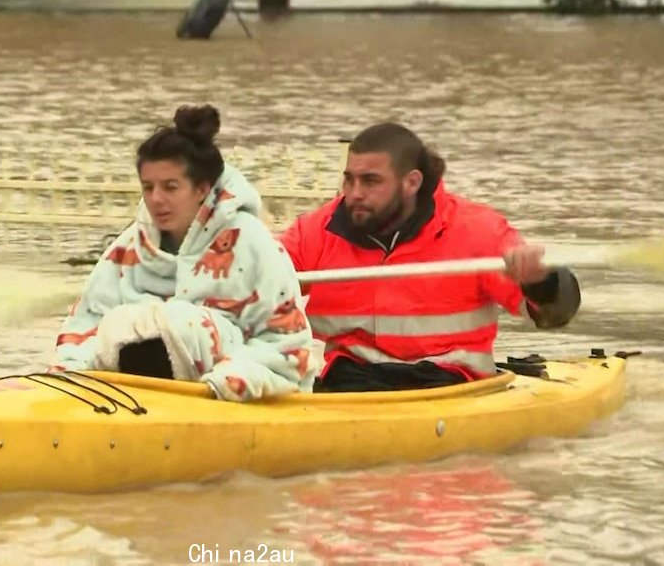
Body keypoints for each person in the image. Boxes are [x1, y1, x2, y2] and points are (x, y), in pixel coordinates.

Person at [279, 122, 581, 392]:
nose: (354, 194)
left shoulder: (478, 231)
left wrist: (540, 282)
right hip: (351, 381)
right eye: (349, 180)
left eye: (370, 181)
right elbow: (254, 283)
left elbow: (554, 315)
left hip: (452, 384)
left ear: (412, 182)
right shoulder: (314, 231)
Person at [51, 104, 320, 402]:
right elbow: (85, 325)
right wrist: (67, 376)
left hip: (227, 391)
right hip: (130, 394)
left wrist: (225, 383)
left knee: (178, 323)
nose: (156, 200)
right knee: (123, 323)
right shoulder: (129, 247)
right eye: (148, 187)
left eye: (170, 187)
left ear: (201, 189)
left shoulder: (254, 244)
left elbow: (287, 345)